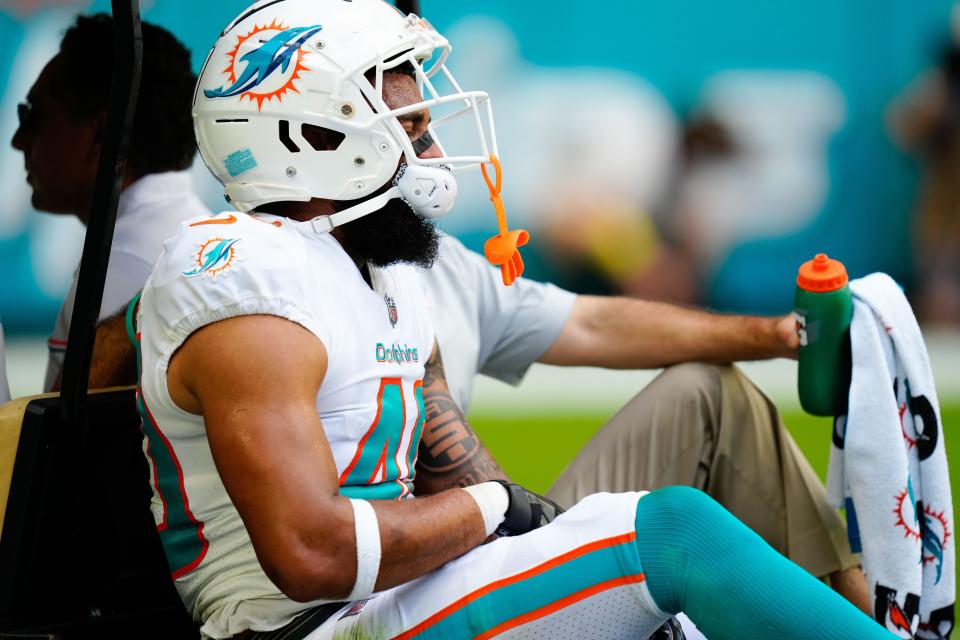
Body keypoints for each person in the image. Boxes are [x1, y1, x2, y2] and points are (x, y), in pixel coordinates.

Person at [134, 2, 894, 638]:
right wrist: (493, 506)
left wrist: (774, 336)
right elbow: (312, 554)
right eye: (411, 125)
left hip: (393, 594)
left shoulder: (372, 265)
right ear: (314, 140)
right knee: (671, 534)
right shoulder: (244, 277)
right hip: (309, 625)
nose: (433, 147)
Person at [9, 13, 210, 392]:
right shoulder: (170, 232)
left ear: (100, 134)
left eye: (31, 116)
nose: (17, 141)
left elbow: (68, 448)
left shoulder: (124, 263)